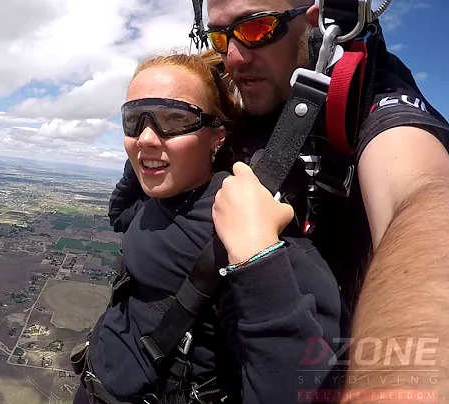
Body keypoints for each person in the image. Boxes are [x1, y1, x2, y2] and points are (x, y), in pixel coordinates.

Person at [110, 0, 449, 395]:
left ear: (313, 22)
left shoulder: (368, 93)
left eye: (256, 29)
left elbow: (423, 193)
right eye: (220, 36)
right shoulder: (229, 78)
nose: (235, 56)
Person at [74, 51, 349, 404]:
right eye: (134, 120)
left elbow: (309, 386)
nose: (145, 137)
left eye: (172, 119)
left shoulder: (239, 215)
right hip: (95, 384)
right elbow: (119, 214)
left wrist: (257, 257)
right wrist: (152, 154)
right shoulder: (155, 201)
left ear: (216, 136)